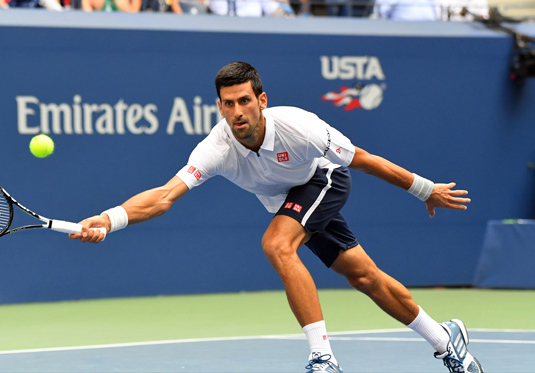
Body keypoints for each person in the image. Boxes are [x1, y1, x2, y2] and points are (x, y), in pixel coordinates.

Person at [69, 61, 482, 373]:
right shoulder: (216, 147)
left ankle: (323, 358)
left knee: (276, 244)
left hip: (323, 181)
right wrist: (110, 218)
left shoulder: (300, 128)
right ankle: (447, 340)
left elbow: (365, 160)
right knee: (364, 276)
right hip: (288, 204)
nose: (237, 112)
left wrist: (426, 189)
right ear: (220, 107)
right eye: (228, 104)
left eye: (245, 101)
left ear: (261, 100)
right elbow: (163, 197)